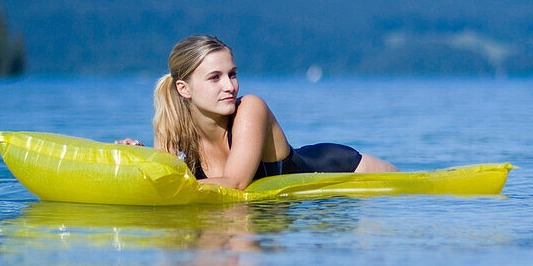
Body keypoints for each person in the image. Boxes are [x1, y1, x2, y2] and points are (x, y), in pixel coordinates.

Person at [117, 35, 396, 190]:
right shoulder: (171, 127)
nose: (230, 86)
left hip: (353, 177)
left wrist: (161, 174)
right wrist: (140, 160)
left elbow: (235, 184)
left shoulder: (250, 108)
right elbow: (168, 184)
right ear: (184, 88)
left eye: (232, 74)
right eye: (215, 78)